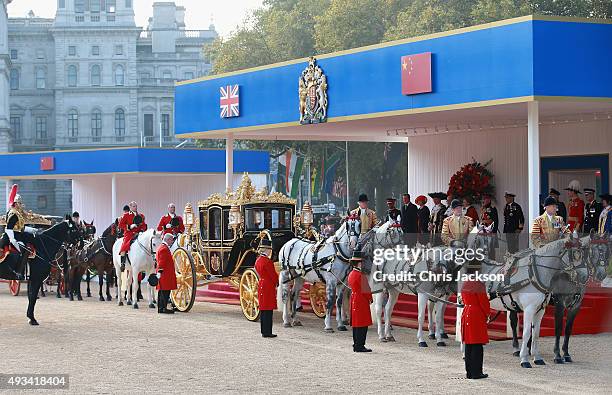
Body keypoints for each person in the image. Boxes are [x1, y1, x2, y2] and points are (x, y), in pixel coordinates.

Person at [461, 266, 490, 380]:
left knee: (469, 345)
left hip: (467, 312)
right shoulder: (478, 284)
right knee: (477, 345)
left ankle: (469, 372)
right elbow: (483, 302)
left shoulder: (465, 283)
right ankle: (477, 372)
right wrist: (487, 314)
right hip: (476, 314)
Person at [0, 184, 36, 267]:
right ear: (15, 204)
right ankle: (19, 272)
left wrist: (31, 230)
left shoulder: (17, 213)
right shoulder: (13, 213)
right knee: (25, 251)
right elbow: (9, 228)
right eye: (19, 203)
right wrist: (12, 239)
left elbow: (20, 227)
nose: (21, 205)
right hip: (13, 237)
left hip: (18, 235)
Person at [348, 248, 372, 352]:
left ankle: (356, 344)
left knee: (356, 324)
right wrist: (370, 298)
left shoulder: (352, 274)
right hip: (361, 300)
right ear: (359, 263)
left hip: (354, 298)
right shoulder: (360, 275)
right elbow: (366, 290)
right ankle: (360, 345)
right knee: (362, 325)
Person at [254, 238, 278, 338]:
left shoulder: (258, 260)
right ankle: (268, 332)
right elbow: (273, 275)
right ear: (266, 250)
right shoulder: (267, 262)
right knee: (268, 311)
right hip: (268, 285)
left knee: (264, 310)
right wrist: (277, 281)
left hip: (262, 284)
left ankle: (264, 331)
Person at [118, 201, 147, 272]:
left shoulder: (141, 215)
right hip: (129, 234)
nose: (135, 207)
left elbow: (144, 225)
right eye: (133, 206)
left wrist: (142, 230)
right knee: (124, 246)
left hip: (139, 233)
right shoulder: (126, 215)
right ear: (130, 207)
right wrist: (129, 226)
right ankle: (123, 263)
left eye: (136, 206)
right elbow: (120, 225)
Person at [155, 233, 177, 314]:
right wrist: (160, 272)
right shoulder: (164, 249)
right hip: (165, 274)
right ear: (167, 239)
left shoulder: (162, 247)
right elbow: (162, 262)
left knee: (162, 291)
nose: (172, 241)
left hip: (163, 273)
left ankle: (161, 308)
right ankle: (163, 308)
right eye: (171, 240)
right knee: (165, 292)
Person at [480, 194, 498, 259]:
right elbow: (481, 220)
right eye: (483, 199)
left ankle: (492, 261)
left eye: (485, 199)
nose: (484, 201)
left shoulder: (493, 209)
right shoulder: (483, 209)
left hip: (490, 231)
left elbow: (494, 221)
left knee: (491, 249)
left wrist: (494, 231)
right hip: (484, 231)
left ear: (489, 200)